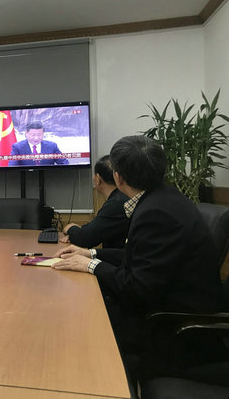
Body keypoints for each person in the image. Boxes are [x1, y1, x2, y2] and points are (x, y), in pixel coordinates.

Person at [52, 136, 222, 353]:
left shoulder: (157, 213)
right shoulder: (163, 198)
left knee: (75, 324)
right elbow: (137, 256)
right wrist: (91, 253)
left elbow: (137, 287)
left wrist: (91, 265)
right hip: (165, 306)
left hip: (171, 327)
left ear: (118, 177)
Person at [59, 155, 128, 248]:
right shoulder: (120, 197)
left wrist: (70, 228)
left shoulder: (115, 204)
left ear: (98, 178)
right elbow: (96, 228)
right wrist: (78, 232)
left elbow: (86, 239)